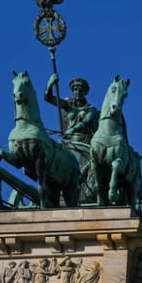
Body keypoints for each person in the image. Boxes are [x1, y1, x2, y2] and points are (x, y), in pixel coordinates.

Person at [44, 74, 100, 202]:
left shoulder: (90, 109)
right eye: (75, 89)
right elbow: (48, 98)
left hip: (84, 143)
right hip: (68, 143)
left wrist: (72, 130)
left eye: (80, 90)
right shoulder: (68, 105)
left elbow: (86, 122)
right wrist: (50, 84)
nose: (77, 92)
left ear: (85, 92)